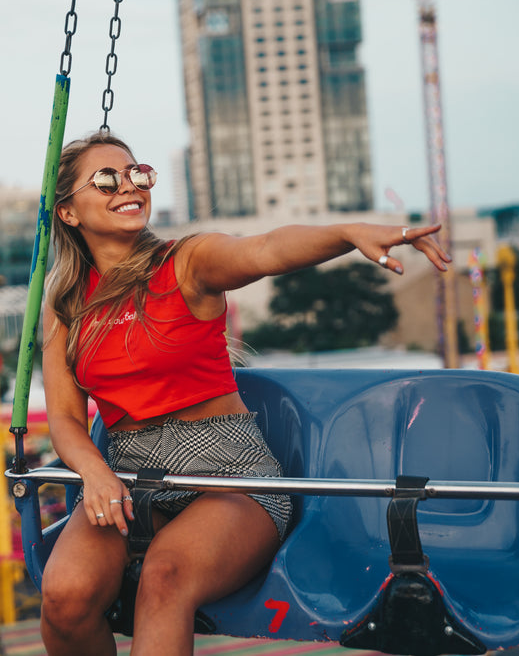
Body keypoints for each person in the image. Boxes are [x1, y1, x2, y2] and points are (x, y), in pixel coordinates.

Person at [36, 131, 452, 655]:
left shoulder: (187, 262)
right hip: (130, 476)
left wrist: (346, 232)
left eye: (138, 173)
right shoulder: (66, 301)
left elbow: (266, 249)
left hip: (230, 477)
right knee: (64, 597)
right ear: (69, 212)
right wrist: (95, 473)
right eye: (107, 179)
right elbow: (66, 421)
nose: (130, 186)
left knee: (164, 579)